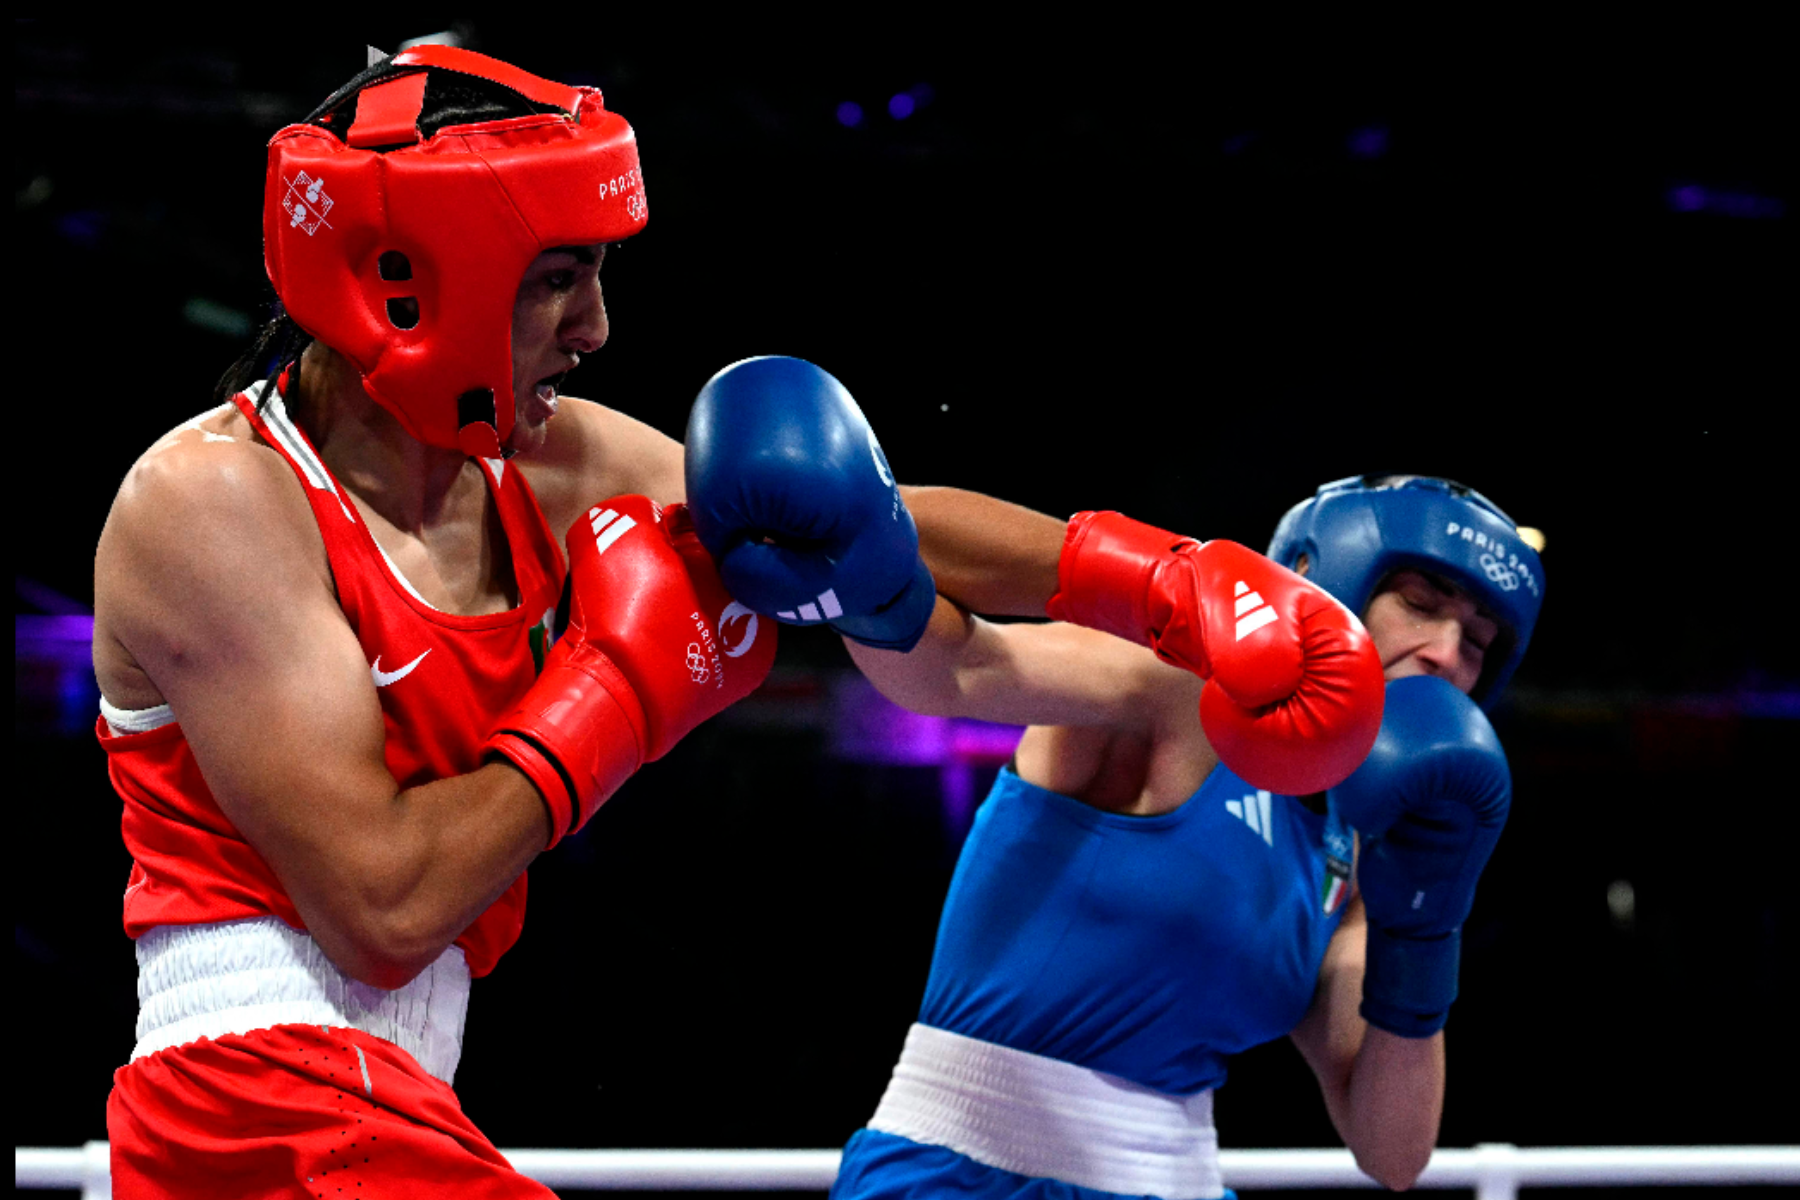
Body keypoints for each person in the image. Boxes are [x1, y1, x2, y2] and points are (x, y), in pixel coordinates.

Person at [90, 46, 806, 1197]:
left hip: (381, 1100)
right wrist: (613, 693)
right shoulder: (214, 500)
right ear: (410, 278)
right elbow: (385, 906)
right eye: (557, 278)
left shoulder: (543, 465)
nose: (594, 329)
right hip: (259, 1103)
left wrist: (1151, 584)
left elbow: (827, 518)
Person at [813, 474, 1545, 1199]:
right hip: (963, 1171)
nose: (1447, 654)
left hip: (1176, 1181)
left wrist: (1428, 924)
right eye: (1420, 606)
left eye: (1477, 642)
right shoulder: (1181, 689)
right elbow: (956, 670)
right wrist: (841, 528)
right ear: (1328, 583)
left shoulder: (1362, 849)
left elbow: (1393, 1153)